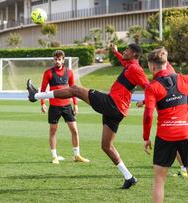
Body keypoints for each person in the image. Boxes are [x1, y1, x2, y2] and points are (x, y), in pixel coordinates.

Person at [27, 43, 149, 189]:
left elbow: (149, 87)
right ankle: (129, 177)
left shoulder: (135, 68)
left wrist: (145, 100)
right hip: (117, 111)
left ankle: (36, 95)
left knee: (75, 89)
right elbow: (124, 61)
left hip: (112, 104)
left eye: (127, 50)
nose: (125, 51)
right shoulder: (130, 65)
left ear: (135, 54)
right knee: (106, 146)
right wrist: (116, 52)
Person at [143, 49, 188, 203]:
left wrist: (146, 137)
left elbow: (148, 115)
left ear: (152, 66)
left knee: (159, 180)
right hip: (186, 133)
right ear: (166, 64)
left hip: (165, 136)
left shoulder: (152, 87)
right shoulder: (184, 79)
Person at [136, 47, 188, 177]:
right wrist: (145, 101)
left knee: (172, 143)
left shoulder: (165, 70)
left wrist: (146, 137)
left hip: (169, 115)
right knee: (177, 144)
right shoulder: (166, 67)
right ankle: (185, 168)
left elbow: (162, 93)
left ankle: (184, 168)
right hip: (176, 112)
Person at [39, 50, 89, 164]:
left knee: (74, 130)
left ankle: (77, 155)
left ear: (63, 60)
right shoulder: (48, 73)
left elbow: (74, 90)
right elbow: (42, 90)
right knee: (53, 131)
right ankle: (54, 156)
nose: (57, 61)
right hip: (54, 107)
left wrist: (75, 104)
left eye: (59, 59)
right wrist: (43, 103)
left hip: (67, 106)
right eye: (55, 59)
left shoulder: (69, 72)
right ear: (53, 60)